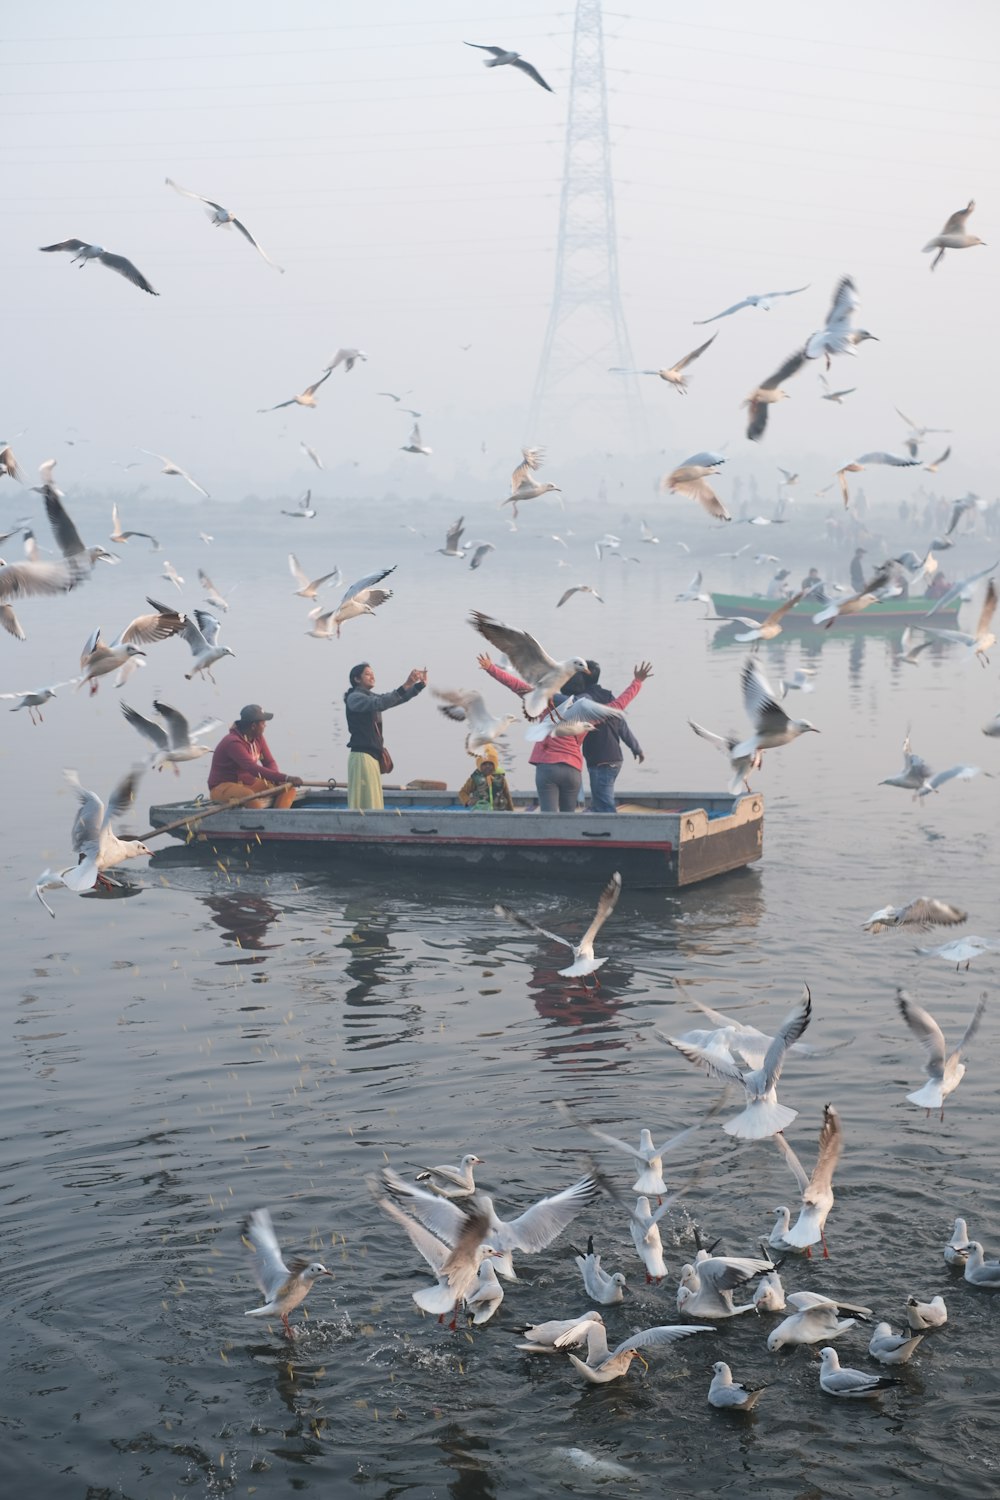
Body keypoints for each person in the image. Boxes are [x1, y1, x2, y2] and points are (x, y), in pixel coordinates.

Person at [478, 652, 652, 812]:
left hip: (547, 767)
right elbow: (618, 706)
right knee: (569, 816)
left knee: (549, 816)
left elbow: (516, 685)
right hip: (572, 770)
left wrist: (490, 668)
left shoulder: (546, 700)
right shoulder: (587, 712)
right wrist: (637, 682)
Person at [344, 661, 426, 810]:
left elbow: (395, 699)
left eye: (373, 674)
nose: (372, 677)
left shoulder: (369, 697)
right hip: (362, 757)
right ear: (357, 679)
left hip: (371, 757)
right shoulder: (355, 698)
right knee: (365, 804)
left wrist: (418, 686)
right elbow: (381, 702)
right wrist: (406, 684)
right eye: (367, 674)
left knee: (373, 801)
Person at [579, 660, 644, 814]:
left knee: (605, 807)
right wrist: (636, 748)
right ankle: (597, 834)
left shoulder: (583, 701)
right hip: (612, 759)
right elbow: (622, 726)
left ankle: (614, 833)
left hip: (603, 761)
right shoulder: (609, 697)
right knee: (599, 803)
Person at [208, 705, 303, 808]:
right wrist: (286, 777)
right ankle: (261, 822)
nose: (265, 726)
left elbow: (269, 762)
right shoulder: (233, 743)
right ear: (253, 726)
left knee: (287, 788)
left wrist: (277, 779)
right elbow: (254, 769)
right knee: (248, 796)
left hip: (248, 784)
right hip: (222, 787)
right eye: (263, 723)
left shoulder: (258, 738)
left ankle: (277, 818)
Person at [458, 744, 514, 811]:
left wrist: (511, 812)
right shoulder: (474, 779)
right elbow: (463, 792)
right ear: (479, 765)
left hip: (499, 812)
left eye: (490, 764)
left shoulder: (501, 778)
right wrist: (468, 801)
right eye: (484, 764)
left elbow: (507, 795)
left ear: (495, 765)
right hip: (480, 812)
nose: (487, 766)